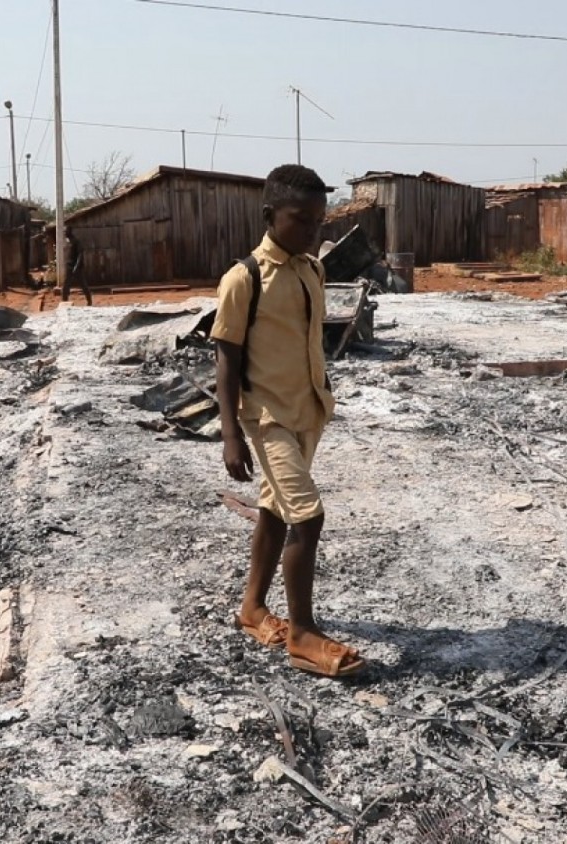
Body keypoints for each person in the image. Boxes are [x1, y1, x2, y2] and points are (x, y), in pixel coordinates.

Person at [211, 164, 364, 678]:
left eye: (320, 222)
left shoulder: (311, 269)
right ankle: (302, 634)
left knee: (276, 510)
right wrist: (231, 432)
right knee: (308, 515)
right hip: (267, 416)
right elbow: (227, 358)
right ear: (269, 215)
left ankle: (252, 608)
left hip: (308, 409)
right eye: (301, 220)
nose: (312, 232)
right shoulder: (244, 279)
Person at [60, 229, 93, 305]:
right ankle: (64, 301)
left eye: (66, 232)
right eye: (64, 232)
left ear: (70, 232)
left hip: (77, 267)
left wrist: (76, 266)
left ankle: (89, 301)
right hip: (69, 266)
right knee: (65, 285)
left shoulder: (76, 242)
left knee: (83, 284)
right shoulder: (68, 242)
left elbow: (80, 255)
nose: (65, 233)